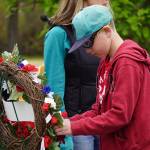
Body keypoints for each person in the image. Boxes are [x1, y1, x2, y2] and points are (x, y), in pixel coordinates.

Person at [54, 5, 150, 150]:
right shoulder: (105, 63)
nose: (87, 50)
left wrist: (74, 127)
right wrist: (68, 122)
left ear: (106, 31)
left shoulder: (127, 64)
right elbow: (99, 110)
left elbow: (119, 115)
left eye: (88, 42)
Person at [44, 0, 114, 150]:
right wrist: (64, 139)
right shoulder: (58, 35)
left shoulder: (106, 32)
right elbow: (54, 92)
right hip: (77, 130)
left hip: (104, 124)